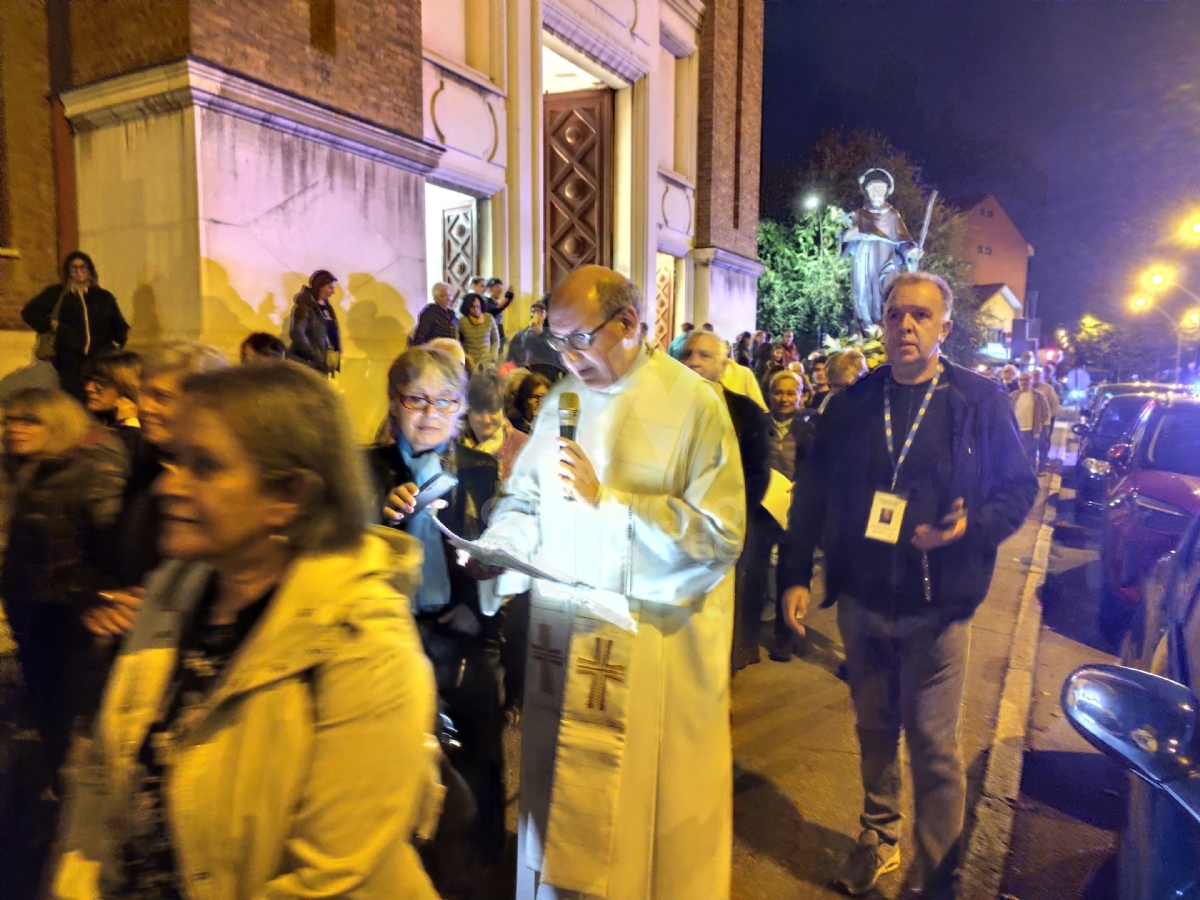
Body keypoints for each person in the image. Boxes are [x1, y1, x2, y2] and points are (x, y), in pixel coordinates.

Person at [52, 362, 440, 900]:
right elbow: (101, 788)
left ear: (291, 495)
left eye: (204, 466)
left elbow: (331, 876)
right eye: (173, 460)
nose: (169, 486)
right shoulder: (172, 596)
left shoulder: (363, 639)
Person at [479, 264, 745, 900]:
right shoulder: (563, 402)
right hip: (562, 641)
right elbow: (524, 500)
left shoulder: (693, 404)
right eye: (556, 343)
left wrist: (615, 504)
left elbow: (719, 536)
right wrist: (501, 546)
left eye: (579, 340)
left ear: (628, 323)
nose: (567, 359)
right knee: (558, 795)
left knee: (635, 823)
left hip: (651, 652)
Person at [780, 272, 1037, 899]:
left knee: (931, 744)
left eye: (921, 315)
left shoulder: (979, 401)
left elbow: (1018, 488)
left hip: (939, 608)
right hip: (864, 605)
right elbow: (810, 494)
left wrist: (970, 527)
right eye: (896, 315)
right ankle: (879, 837)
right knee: (873, 732)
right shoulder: (852, 403)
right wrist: (793, 575)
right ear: (883, 325)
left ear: (944, 328)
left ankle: (940, 874)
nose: (906, 326)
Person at [369, 347, 506, 884]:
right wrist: (382, 519)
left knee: (478, 755)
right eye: (417, 399)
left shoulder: (480, 469)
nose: (431, 413)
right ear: (394, 402)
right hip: (394, 640)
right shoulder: (368, 470)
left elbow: (499, 550)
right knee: (399, 764)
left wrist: (480, 612)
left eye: (446, 401)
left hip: (465, 634)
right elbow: (345, 555)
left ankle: (480, 868)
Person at [2, 389, 128, 783]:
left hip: (68, 611)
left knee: (69, 705)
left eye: (29, 420)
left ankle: (67, 788)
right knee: (42, 696)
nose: (14, 429)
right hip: (30, 604)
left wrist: (94, 593)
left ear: (58, 424)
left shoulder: (87, 469)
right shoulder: (24, 469)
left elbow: (110, 543)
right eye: (10, 420)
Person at [85, 343, 230, 642]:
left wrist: (168, 606)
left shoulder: (232, 481)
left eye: (161, 397)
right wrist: (108, 601)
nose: (145, 407)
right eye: (144, 394)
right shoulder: (146, 470)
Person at [682, 330, 770, 672]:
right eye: (687, 354)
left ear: (723, 364)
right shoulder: (660, 410)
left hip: (726, 531)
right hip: (674, 528)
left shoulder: (745, 412)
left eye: (705, 355)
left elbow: (757, 472)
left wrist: (727, 519)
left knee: (722, 616)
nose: (694, 362)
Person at [22, 251, 130, 401]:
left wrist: (118, 348)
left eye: (83, 268)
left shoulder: (103, 297)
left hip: (99, 359)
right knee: (75, 400)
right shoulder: (57, 294)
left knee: (99, 400)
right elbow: (29, 312)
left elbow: (119, 325)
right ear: (68, 271)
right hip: (70, 359)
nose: (79, 272)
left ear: (90, 271)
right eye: (74, 268)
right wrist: (51, 325)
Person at [765, 369, 819, 661]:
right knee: (757, 574)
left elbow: (823, 462)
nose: (784, 399)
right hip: (763, 511)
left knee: (792, 572)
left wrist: (808, 480)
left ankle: (784, 636)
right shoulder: (758, 425)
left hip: (798, 513)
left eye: (791, 393)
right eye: (778, 392)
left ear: (801, 396)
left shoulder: (812, 427)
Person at [841, 168, 921, 331]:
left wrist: (910, 252)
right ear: (868, 192)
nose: (877, 192)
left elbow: (903, 240)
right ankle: (867, 330)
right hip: (865, 257)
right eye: (873, 189)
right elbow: (846, 238)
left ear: (886, 192)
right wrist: (851, 234)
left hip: (887, 257)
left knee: (889, 290)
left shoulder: (892, 215)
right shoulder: (861, 214)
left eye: (880, 189)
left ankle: (886, 328)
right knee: (864, 294)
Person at [462, 366, 529, 482]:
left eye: (493, 410)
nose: (486, 420)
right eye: (479, 411)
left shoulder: (525, 447)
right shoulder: (450, 444)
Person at [81, 349, 142, 457]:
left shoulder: (149, 431)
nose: (88, 388)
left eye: (100, 382)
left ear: (126, 386)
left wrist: (130, 426)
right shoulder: (87, 420)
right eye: (88, 379)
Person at [286, 269, 342, 376]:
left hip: (321, 365)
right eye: (330, 287)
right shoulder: (304, 307)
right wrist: (314, 355)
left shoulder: (326, 308)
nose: (333, 292)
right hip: (307, 364)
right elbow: (297, 333)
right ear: (320, 286)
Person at [506, 299, 565, 381]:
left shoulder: (552, 334)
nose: (537, 314)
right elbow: (511, 357)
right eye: (533, 311)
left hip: (547, 379)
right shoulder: (521, 335)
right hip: (526, 378)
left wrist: (541, 334)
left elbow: (557, 357)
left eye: (540, 312)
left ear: (546, 315)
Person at [1011, 370, 1050, 469]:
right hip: (1015, 430)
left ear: (1031, 381)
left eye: (1026, 379)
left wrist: (1038, 423)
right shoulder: (1012, 396)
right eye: (1021, 379)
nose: (1023, 382)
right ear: (1018, 381)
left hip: (1031, 431)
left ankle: (1031, 479)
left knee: (1030, 456)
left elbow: (1045, 412)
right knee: (1016, 455)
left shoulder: (1038, 396)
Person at [459, 293, 501, 371]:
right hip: (470, 363)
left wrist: (493, 358)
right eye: (472, 307)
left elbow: (496, 341)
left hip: (487, 362)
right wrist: (465, 359)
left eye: (478, 306)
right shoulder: (462, 321)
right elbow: (459, 343)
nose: (476, 309)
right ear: (467, 307)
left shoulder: (489, 318)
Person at [1031, 367, 1061, 473]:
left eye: (1037, 376)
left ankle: (1042, 466)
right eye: (1033, 376)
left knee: (1043, 443)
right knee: (1031, 444)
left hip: (1044, 422)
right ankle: (1032, 466)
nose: (1035, 378)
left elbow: (1054, 403)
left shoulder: (1047, 388)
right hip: (1030, 421)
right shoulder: (1027, 388)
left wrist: (1049, 417)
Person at [508, 369, 550, 434]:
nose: (540, 401)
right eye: (535, 397)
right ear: (525, 400)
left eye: (545, 397)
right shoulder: (513, 429)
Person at [483, 278, 516, 349]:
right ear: (489, 289)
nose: (500, 290)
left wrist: (505, 339)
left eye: (501, 288)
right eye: (497, 287)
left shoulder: (495, 304)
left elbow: (499, 325)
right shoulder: (486, 303)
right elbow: (495, 310)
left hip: (498, 345)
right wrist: (508, 297)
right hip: (490, 345)